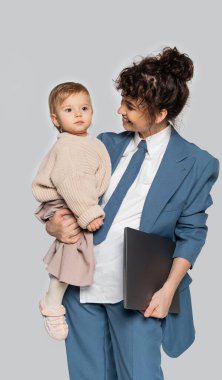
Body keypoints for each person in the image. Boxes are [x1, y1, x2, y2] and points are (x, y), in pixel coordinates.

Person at [45, 47, 219, 379]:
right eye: (122, 100)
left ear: (159, 113)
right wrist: (54, 224)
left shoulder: (196, 164)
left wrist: (168, 290)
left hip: (140, 292)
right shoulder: (103, 144)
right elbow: (64, 191)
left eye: (130, 106)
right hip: (82, 285)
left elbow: (192, 233)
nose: (119, 110)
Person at [32, 82, 111, 340]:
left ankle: (54, 299)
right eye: (69, 110)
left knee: (74, 247)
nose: (78, 114)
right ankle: (52, 303)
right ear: (55, 119)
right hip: (67, 202)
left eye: (84, 108)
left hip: (75, 200)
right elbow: (72, 182)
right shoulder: (68, 147)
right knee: (73, 244)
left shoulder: (87, 142)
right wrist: (88, 213)